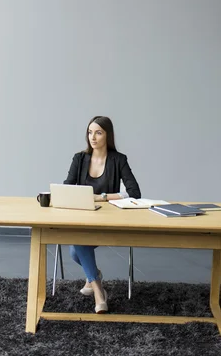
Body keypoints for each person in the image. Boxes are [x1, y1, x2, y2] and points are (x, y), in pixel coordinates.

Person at [64, 115, 141, 314]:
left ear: (108, 135)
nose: (93, 137)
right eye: (90, 132)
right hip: (82, 218)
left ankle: (97, 289)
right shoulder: (79, 158)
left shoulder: (118, 160)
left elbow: (135, 193)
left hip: (108, 219)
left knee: (76, 247)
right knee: (75, 249)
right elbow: (67, 187)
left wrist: (102, 197)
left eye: (98, 132)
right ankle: (97, 283)